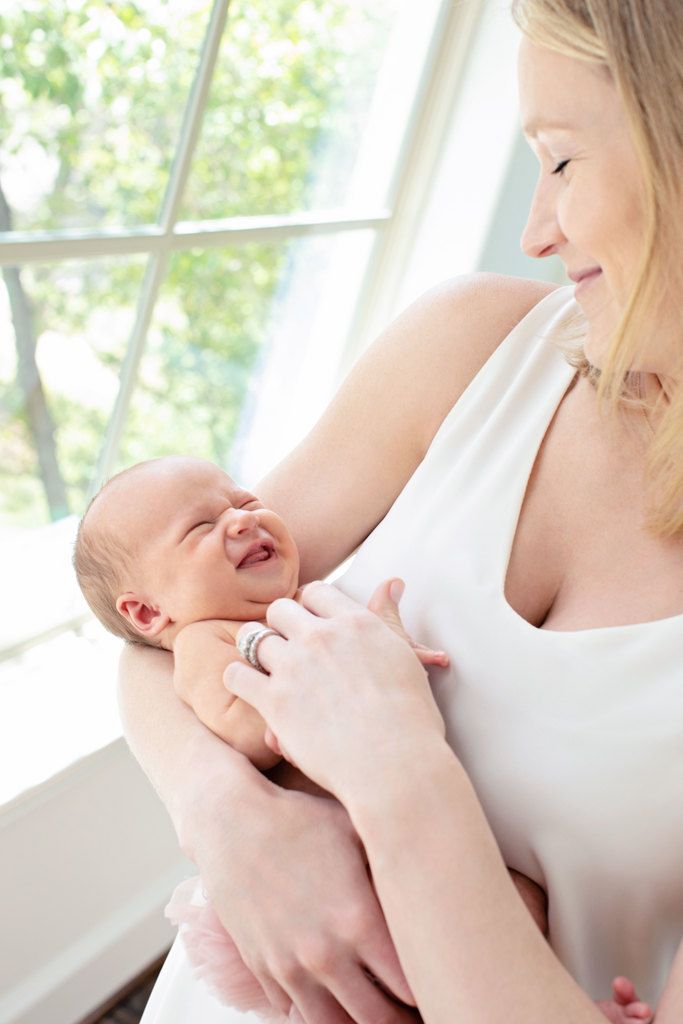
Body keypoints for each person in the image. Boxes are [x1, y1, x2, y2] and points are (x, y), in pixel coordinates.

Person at [118, 0, 683, 1021]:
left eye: (559, 161)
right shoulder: (471, 346)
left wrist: (397, 773)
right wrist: (230, 820)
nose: (533, 228)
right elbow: (160, 620)